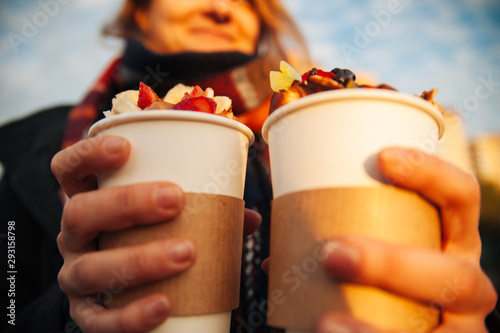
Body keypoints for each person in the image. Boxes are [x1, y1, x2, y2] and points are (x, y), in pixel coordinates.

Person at [0, 0, 498, 332]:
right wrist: (67, 314)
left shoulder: (316, 116)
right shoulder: (19, 148)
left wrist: (447, 311)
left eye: (246, 0)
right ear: (138, 14)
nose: (221, 5)